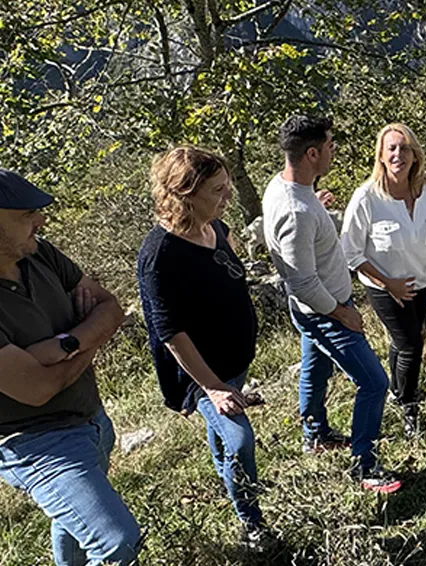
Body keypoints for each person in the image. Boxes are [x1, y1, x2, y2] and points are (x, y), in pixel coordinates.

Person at [0, 169, 141, 565]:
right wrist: (89, 338)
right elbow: (39, 389)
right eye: (26, 213)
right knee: (116, 542)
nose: (40, 221)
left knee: (75, 526)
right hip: (35, 445)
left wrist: (66, 344)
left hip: (91, 420)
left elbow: (110, 307)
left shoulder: (39, 253)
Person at [136, 146, 271, 549]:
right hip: (200, 374)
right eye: (217, 191)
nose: (226, 197)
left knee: (224, 442)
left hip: (234, 361)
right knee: (240, 441)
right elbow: (170, 332)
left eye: (228, 188)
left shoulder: (214, 226)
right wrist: (212, 387)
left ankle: (231, 484)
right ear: (184, 193)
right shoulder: (160, 255)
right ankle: (253, 524)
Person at [262, 115, 400, 492]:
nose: (334, 151)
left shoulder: (285, 188)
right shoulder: (297, 212)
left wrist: (316, 207)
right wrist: (343, 313)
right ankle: (365, 464)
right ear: (311, 154)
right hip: (324, 310)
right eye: (330, 146)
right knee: (374, 382)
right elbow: (303, 282)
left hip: (313, 309)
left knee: (314, 367)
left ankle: (316, 434)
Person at [340, 124, 426, 438]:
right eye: (391, 148)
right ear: (380, 155)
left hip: (422, 281)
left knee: (404, 340)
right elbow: (350, 252)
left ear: (414, 154)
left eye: (404, 148)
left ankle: (397, 390)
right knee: (412, 345)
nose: (398, 155)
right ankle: (409, 407)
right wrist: (388, 282)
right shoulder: (367, 198)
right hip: (384, 287)